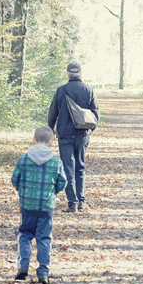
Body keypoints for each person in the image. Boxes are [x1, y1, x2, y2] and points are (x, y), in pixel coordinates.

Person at [11, 125, 66, 284]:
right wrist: (52, 193)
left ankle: (23, 265)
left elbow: (15, 179)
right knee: (44, 238)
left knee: (25, 235)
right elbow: (62, 181)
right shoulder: (56, 161)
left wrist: (23, 192)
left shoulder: (24, 158)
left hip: (27, 206)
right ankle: (43, 270)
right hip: (46, 207)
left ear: (33, 140)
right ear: (51, 143)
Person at [47, 60, 100, 212]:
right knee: (80, 167)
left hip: (64, 135)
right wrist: (89, 131)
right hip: (82, 135)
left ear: (68, 74)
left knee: (68, 168)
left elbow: (52, 113)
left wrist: (51, 130)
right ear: (80, 73)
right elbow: (96, 114)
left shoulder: (61, 90)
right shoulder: (88, 90)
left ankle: (72, 203)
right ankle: (82, 200)